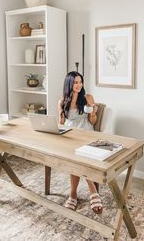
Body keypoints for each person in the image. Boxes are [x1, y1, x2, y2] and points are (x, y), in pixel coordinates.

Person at [58, 71, 103, 214]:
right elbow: (62, 124)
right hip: (71, 136)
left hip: (86, 134)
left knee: (77, 160)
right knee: (75, 159)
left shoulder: (88, 97)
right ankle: (92, 192)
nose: (79, 85)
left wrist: (93, 112)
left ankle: (74, 194)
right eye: (75, 82)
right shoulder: (62, 102)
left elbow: (92, 122)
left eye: (80, 82)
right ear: (69, 84)